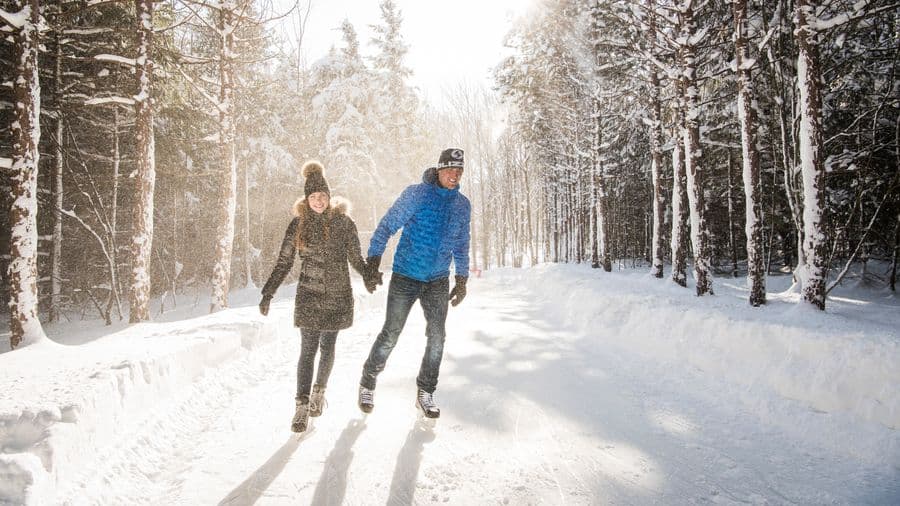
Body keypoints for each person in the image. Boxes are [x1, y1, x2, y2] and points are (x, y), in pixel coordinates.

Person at [259, 160, 378, 433]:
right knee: (308, 350)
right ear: (306, 199)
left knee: (328, 347)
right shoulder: (298, 225)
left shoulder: (344, 223)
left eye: (322, 196)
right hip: (309, 295)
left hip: (337, 295)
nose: (319, 201)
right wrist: (269, 291)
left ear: (329, 196)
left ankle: (318, 393)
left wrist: (369, 276)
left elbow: (355, 258)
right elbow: (284, 262)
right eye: (313, 196)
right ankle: (301, 407)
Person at [358, 147, 471, 419]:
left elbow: (462, 242)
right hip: (406, 275)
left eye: (459, 170)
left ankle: (426, 391)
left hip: (437, 280)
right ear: (439, 169)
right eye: (449, 169)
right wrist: (373, 259)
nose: (454, 175)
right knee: (391, 333)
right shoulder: (416, 194)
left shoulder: (462, 205)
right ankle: (368, 381)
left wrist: (463, 276)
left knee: (437, 337)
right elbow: (387, 225)